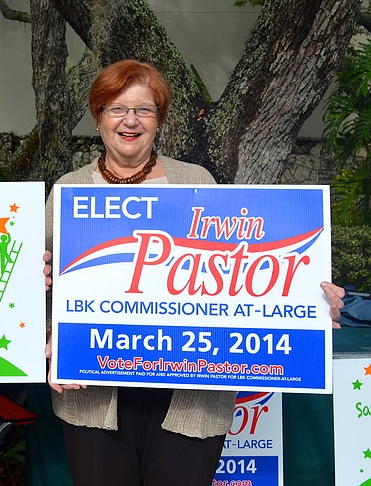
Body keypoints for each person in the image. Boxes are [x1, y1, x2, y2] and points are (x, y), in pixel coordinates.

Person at [43, 59, 345, 486]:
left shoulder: (197, 180)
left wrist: (310, 301)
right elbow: (41, 293)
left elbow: (242, 270)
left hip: (190, 397)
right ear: (98, 118)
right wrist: (48, 335)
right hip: (93, 397)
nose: (130, 121)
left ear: (159, 120)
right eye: (116, 108)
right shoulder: (67, 191)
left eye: (144, 109)